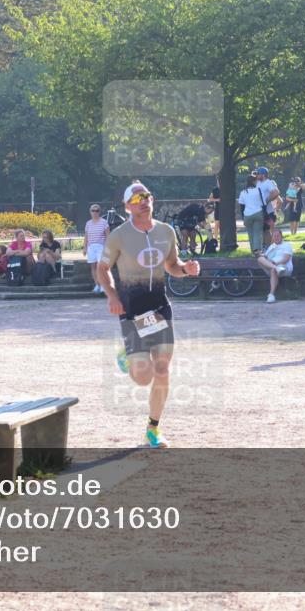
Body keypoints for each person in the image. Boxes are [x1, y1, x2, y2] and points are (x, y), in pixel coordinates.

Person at [97, 181, 200, 449]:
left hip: (159, 308)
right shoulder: (118, 235)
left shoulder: (166, 232)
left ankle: (153, 429)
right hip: (131, 310)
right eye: (138, 197)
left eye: (148, 195)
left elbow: (172, 266)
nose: (145, 200)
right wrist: (112, 295)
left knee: (163, 369)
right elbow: (103, 268)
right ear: (127, 206)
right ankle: (127, 354)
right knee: (143, 378)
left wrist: (186, 269)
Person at [257, 228, 294, 303]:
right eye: (274, 236)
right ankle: (276, 268)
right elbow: (266, 258)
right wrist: (260, 254)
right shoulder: (271, 246)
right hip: (274, 267)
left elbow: (286, 259)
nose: (276, 238)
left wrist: (275, 263)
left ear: (281, 236)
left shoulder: (287, 245)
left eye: (278, 236)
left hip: (284, 268)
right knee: (259, 258)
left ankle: (271, 294)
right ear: (272, 237)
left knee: (273, 270)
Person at [84, 204, 110, 293]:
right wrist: (85, 248)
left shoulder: (104, 222)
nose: (95, 212)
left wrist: (107, 248)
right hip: (91, 247)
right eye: (93, 210)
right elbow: (86, 236)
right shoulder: (88, 223)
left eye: (97, 210)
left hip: (101, 246)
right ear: (90, 212)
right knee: (93, 267)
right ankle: (97, 285)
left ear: (99, 211)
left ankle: (103, 285)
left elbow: (108, 235)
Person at [238, 174, 265, 254]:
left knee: (250, 234)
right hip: (258, 213)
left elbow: (241, 206)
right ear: (253, 181)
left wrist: (243, 218)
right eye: (256, 180)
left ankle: (253, 252)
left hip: (247, 215)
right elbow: (263, 203)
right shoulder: (258, 190)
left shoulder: (243, 192)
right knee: (257, 232)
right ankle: (258, 250)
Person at [254, 166, 280, 247]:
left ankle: (268, 248)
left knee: (266, 230)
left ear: (263, 175)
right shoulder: (258, 183)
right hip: (259, 211)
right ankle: (263, 247)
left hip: (267, 212)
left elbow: (276, 192)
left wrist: (265, 201)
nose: (256, 175)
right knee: (260, 231)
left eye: (258, 174)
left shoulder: (268, 182)